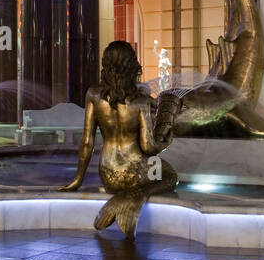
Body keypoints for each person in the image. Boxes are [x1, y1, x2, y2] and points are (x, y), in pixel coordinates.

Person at [60, 40, 177, 238]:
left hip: (108, 174)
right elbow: (149, 147)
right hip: (135, 174)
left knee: (157, 172)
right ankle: (134, 196)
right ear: (131, 66)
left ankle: (127, 198)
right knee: (170, 176)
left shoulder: (94, 95)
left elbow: (87, 141)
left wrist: (77, 180)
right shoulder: (141, 102)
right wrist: (166, 139)